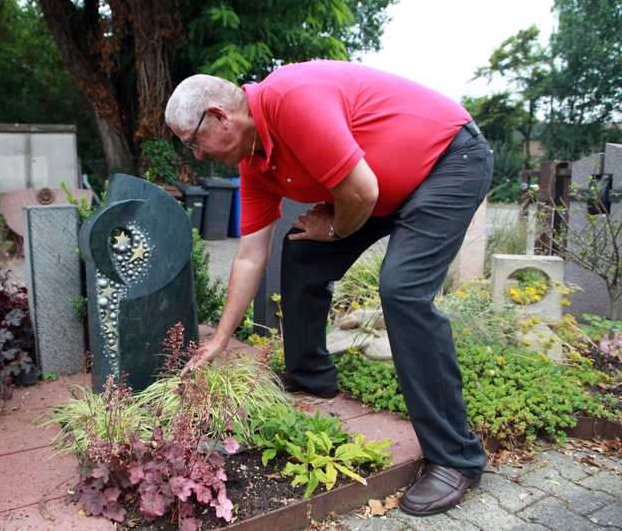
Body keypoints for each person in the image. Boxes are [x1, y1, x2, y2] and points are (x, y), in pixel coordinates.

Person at [164, 60, 491, 517]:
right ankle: (309, 377)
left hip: (447, 163)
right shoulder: (256, 162)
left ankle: (457, 458)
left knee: (402, 290)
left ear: (219, 116)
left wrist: (335, 229)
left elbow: (360, 192)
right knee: (300, 250)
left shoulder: (290, 99)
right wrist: (219, 337)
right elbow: (250, 255)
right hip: (376, 189)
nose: (196, 155)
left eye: (193, 142)